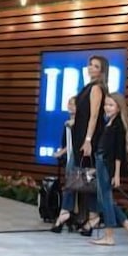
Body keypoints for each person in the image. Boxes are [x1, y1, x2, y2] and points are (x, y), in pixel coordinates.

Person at [89, 92, 128, 246]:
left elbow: (119, 153)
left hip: (107, 166)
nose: (107, 107)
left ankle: (109, 236)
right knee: (105, 200)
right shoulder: (109, 122)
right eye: (106, 104)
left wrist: (116, 174)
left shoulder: (118, 125)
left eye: (111, 105)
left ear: (118, 107)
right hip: (100, 163)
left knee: (106, 200)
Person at [72, 54, 108, 236]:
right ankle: (87, 216)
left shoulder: (96, 89)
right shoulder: (87, 87)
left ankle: (94, 217)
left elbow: (94, 116)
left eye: (96, 66)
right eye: (90, 65)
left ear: (102, 71)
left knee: (89, 178)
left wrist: (88, 140)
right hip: (80, 135)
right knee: (83, 180)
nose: (91, 68)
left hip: (89, 139)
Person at [50, 95, 77, 232]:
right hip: (69, 158)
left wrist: (61, 152)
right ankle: (68, 214)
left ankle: (66, 214)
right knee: (70, 186)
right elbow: (66, 143)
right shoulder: (67, 123)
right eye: (69, 103)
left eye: (73, 104)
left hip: (76, 159)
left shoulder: (78, 124)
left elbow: (74, 144)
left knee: (72, 186)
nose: (70, 106)